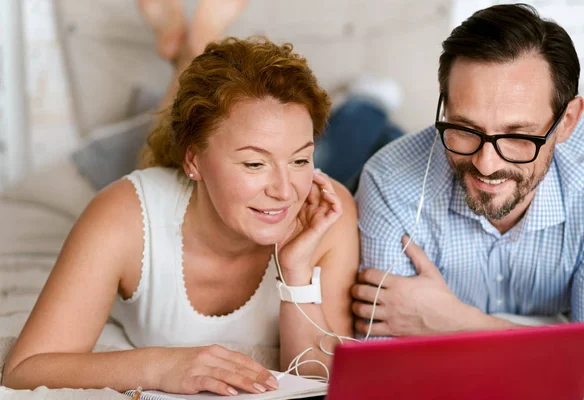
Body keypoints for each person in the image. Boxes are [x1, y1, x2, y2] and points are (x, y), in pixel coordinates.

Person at [2, 3, 359, 396]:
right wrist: (159, 365)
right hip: (172, 183)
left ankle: (193, 44)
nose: (285, 190)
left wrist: (296, 273)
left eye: (301, 159)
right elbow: (23, 370)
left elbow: (322, 378)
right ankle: (191, 46)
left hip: (201, 164)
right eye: (255, 163)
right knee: (153, 143)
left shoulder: (326, 214)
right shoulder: (125, 214)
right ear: (194, 161)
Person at [351, 3, 584, 385]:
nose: (486, 164)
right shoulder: (388, 181)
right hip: (389, 166)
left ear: (565, 122)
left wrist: (459, 324)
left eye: (518, 137)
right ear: (445, 104)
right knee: (339, 156)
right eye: (465, 128)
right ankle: (365, 108)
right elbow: (386, 365)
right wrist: (536, 341)